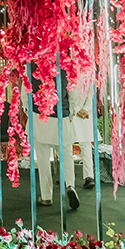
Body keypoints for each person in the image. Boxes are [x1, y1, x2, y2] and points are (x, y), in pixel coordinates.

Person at [33, 75, 79, 210]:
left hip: (40, 116)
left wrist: (29, 112)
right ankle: (70, 185)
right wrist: (70, 113)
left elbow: (26, 93)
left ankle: (46, 196)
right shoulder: (64, 65)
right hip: (61, 116)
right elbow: (73, 95)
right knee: (66, 155)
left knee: (43, 159)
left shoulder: (32, 64)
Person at [69, 71, 98, 190]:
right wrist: (84, 109)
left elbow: (67, 96)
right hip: (83, 114)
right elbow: (91, 94)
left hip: (73, 113)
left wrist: (78, 110)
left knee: (68, 146)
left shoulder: (69, 72)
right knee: (85, 146)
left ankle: (69, 179)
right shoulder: (88, 75)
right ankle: (89, 176)